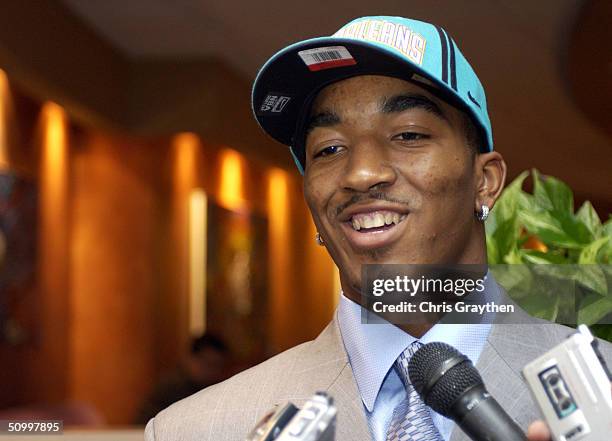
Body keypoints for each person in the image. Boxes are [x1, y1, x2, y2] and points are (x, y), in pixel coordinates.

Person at [145, 16, 612, 441]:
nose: (361, 174)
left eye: (408, 134)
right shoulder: (197, 429)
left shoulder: (604, 399)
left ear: (484, 183)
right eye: (328, 149)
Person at [137, 334, 229, 425]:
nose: (213, 371)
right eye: (208, 364)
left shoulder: (208, 387)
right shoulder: (174, 387)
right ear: (191, 359)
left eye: (219, 366)